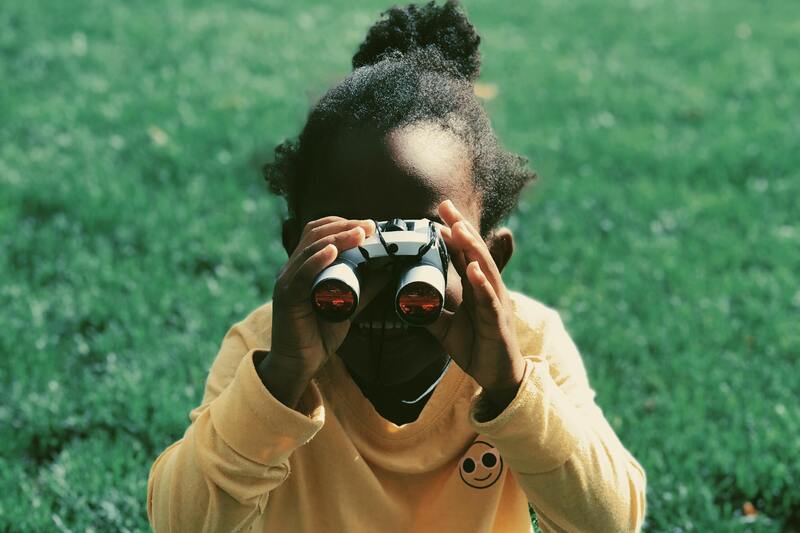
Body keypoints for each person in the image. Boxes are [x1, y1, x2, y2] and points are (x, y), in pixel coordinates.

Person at [146, 1, 647, 531]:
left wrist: (510, 387)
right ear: (297, 250)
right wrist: (282, 381)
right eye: (353, 259)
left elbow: (611, 523)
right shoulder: (267, 351)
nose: (382, 292)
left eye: (421, 258)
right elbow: (178, 523)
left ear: (491, 261)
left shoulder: (527, 345)